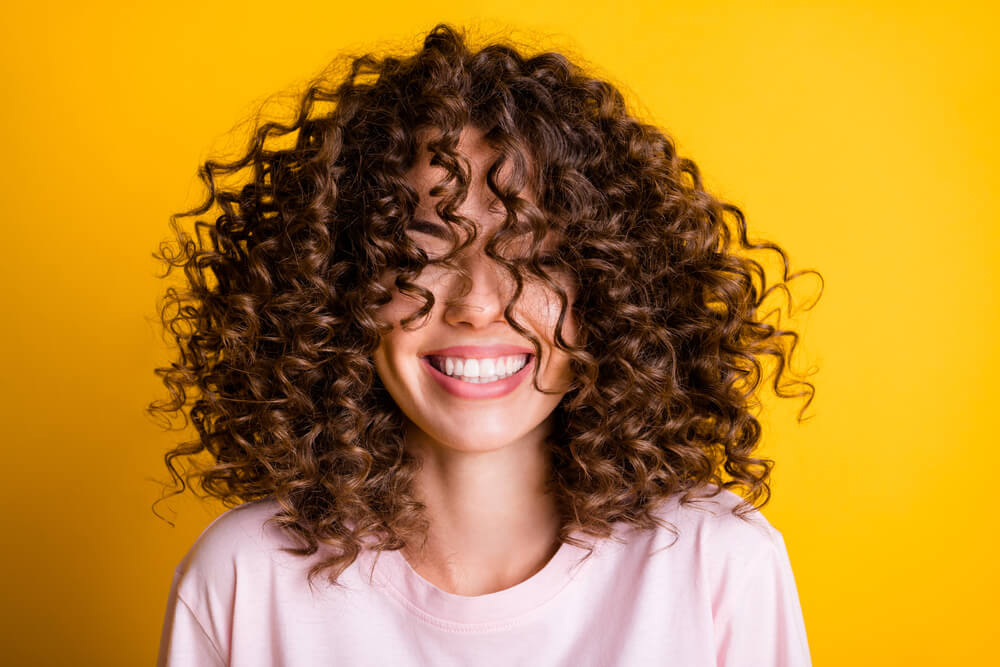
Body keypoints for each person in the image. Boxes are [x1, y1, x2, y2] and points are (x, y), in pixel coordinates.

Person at [151, 22, 821, 666]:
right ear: (346, 285)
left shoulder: (717, 567)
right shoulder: (244, 580)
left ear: (608, 290)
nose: (477, 304)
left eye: (531, 254)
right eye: (423, 250)